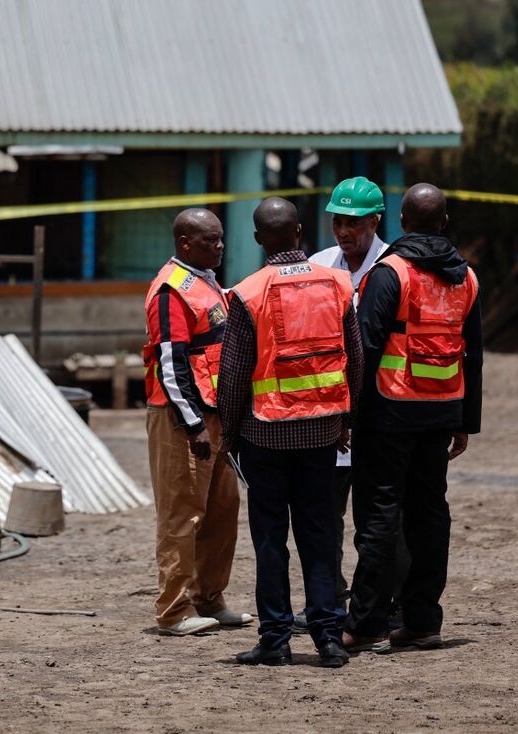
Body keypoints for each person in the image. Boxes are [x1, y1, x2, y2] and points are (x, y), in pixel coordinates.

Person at [218, 197, 363, 668]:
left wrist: (229, 431)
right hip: (323, 434)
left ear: (259, 239)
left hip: (265, 435)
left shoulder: (247, 292)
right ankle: (328, 637)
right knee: (321, 537)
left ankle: (276, 638)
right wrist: (346, 417)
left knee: (269, 540)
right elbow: (355, 359)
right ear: (300, 232)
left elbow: (235, 373)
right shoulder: (338, 283)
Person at [343, 184, 483, 653]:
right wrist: (467, 420)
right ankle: (422, 621)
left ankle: (365, 625)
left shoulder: (391, 273)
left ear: (401, 220)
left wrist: (349, 414)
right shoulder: (467, 277)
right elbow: (474, 356)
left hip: (389, 410)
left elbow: (364, 350)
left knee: (379, 516)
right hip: (442, 409)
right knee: (430, 515)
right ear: (444, 222)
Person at [142, 208, 252, 636]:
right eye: (211, 241)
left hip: (216, 416)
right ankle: (174, 610)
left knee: (222, 511)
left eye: (221, 239)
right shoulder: (170, 291)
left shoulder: (205, 283)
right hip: (181, 419)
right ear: (185, 243)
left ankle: (210, 597)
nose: (220, 247)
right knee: (181, 516)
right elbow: (171, 363)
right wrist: (193, 426)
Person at [305, 176, 398, 610]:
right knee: (323, 517)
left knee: (379, 521)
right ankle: (328, 599)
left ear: (376, 221)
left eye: (355, 223)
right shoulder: (318, 266)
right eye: (338, 221)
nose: (345, 231)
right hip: (327, 415)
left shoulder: (394, 269)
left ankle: (380, 602)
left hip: (378, 415)